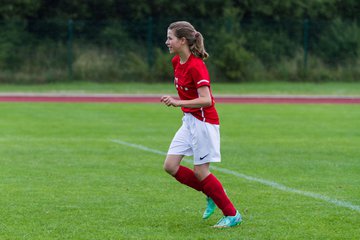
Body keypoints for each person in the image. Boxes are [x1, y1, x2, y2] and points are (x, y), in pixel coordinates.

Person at [160, 21, 242, 228]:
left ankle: (232, 215)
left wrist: (178, 102)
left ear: (182, 40)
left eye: (170, 38)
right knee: (170, 166)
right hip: (189, 121)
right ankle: (210, 191)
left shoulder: (197, 66)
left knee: (200, 172)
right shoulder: (176, 62)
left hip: (204, 123)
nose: (167, 42)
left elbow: (207, 100)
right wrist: (181, 105)